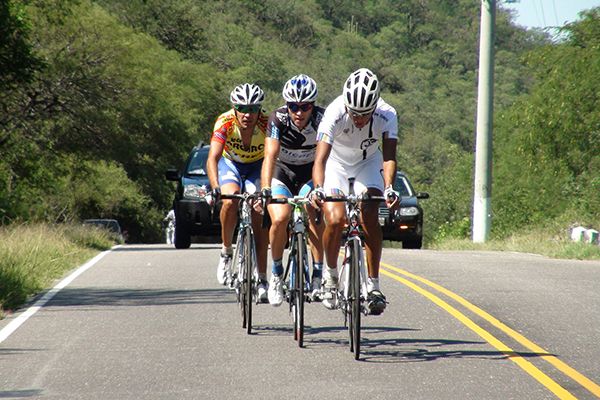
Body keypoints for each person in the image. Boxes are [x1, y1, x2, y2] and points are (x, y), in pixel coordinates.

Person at [310, 68, 400, 315]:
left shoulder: (387, 114)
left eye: (365, 114)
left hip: (367, 163)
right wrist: (318, 189)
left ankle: (374, 285)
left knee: (369, 212)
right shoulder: (334, 112)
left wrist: (389, 188)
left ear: (375, 106)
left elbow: (389, 157)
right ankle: (330, 276)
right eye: (354, 113)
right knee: (335, 218)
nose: (359, 119)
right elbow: (320, 160)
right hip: (336, 164)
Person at [260, 74, 326, 307]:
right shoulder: (277, 118)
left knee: (315, 212)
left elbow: (327, 156)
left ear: (313, 106)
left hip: (310, 173)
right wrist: (265, 188)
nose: (299, 112)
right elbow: (269, 156)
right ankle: (276, 274)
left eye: (305, 107)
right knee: (280, 218)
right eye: (293, 106)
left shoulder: (322, 119)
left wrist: (321, 188)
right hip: (283, 172)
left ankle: (318, 275)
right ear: (286, 105)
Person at [206, 83, 270, 302]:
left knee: (258, 210)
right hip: (230, 164)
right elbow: (213, 158)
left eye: (253, 109)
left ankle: (262, 278)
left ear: (259, 109)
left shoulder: (267, 123)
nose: (247, 114)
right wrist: (215, 187)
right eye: (242, 108)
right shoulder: (225, 122)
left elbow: (274, 157)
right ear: (234, 108)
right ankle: (226, 251)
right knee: (229, 201)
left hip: (256, 167)